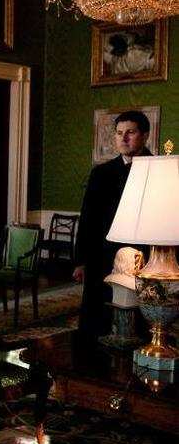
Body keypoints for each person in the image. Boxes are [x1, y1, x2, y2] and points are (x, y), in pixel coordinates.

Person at [73, 110, 153, 339]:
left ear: (145, 135)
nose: (124, 138)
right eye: (119, 133)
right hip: (102, 255)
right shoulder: (101, 172)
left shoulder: (156, 169)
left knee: (138, 317)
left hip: (142, 257)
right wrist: (81, 261)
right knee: (96, 317)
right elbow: (87, 218)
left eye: (130, 132)